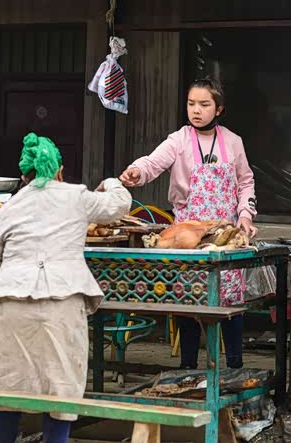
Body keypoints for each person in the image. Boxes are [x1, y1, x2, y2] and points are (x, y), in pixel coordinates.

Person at [0, 132, 132, 443]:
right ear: (60, 171)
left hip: (10, 301)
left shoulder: (10, 205)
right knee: (61, 388)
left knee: (7, 387)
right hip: (62, 302)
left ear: (24, 177)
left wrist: (17, 279)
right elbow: (120, 205)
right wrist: (111, 182)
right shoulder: (76, 195)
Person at [119, 78, 257, 369]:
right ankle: (187, 369)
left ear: (219, 109)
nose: (196, 110)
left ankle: (234, 368)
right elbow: (152, 163)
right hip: (187, 238)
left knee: (230, 303)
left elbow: (246, 182)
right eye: (191, 104)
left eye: (204, 104)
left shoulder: (233, 142)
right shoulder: (179, 140)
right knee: (187, 300)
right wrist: (136, 171)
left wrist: (245, 214)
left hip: (223, 237)